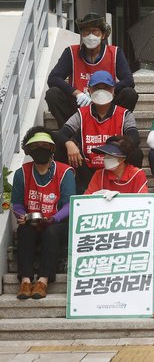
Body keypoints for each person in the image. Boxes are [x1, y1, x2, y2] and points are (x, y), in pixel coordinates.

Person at [11, 127, 76, 300]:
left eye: (45, 146)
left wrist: (53, 218)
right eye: (36, 146)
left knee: (52, 231)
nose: (41, 149)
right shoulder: (21, 173)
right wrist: (22, 216)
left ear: (52, 149)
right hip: (32, 222)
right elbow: (16, 203)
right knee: (24, 231)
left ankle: (43, 281)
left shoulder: (65, 172)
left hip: (57, 223)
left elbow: (70, 205)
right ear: (30, 151)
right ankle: (25, 280)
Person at [56, 70, 143, 194]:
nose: (101, 91)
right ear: (89, 91)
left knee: (136, 152)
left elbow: (134, 137)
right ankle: (79, 190)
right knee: (62, 148)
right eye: (97, 88)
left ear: (113, 90)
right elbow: (61, 133)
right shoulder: (81, 113)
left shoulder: (124, 114)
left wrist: (118, 150)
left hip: (115, 163)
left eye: (106, 88)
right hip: (87, 165)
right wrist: (70, 144)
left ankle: (129, 186)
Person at [46, 12, 138, 128]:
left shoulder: (115, 53)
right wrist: (77, 93)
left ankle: (114, 127)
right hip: (78, 103)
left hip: (107, 103)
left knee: (130, 94)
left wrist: (106, 91)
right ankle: (70, 134)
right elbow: (53, 78)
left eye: (94, 31)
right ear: (82, 35)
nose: (90, 36)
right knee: (52, 94)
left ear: (103, 35)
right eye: (86, 32)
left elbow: (129, 80)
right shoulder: (71, 52)